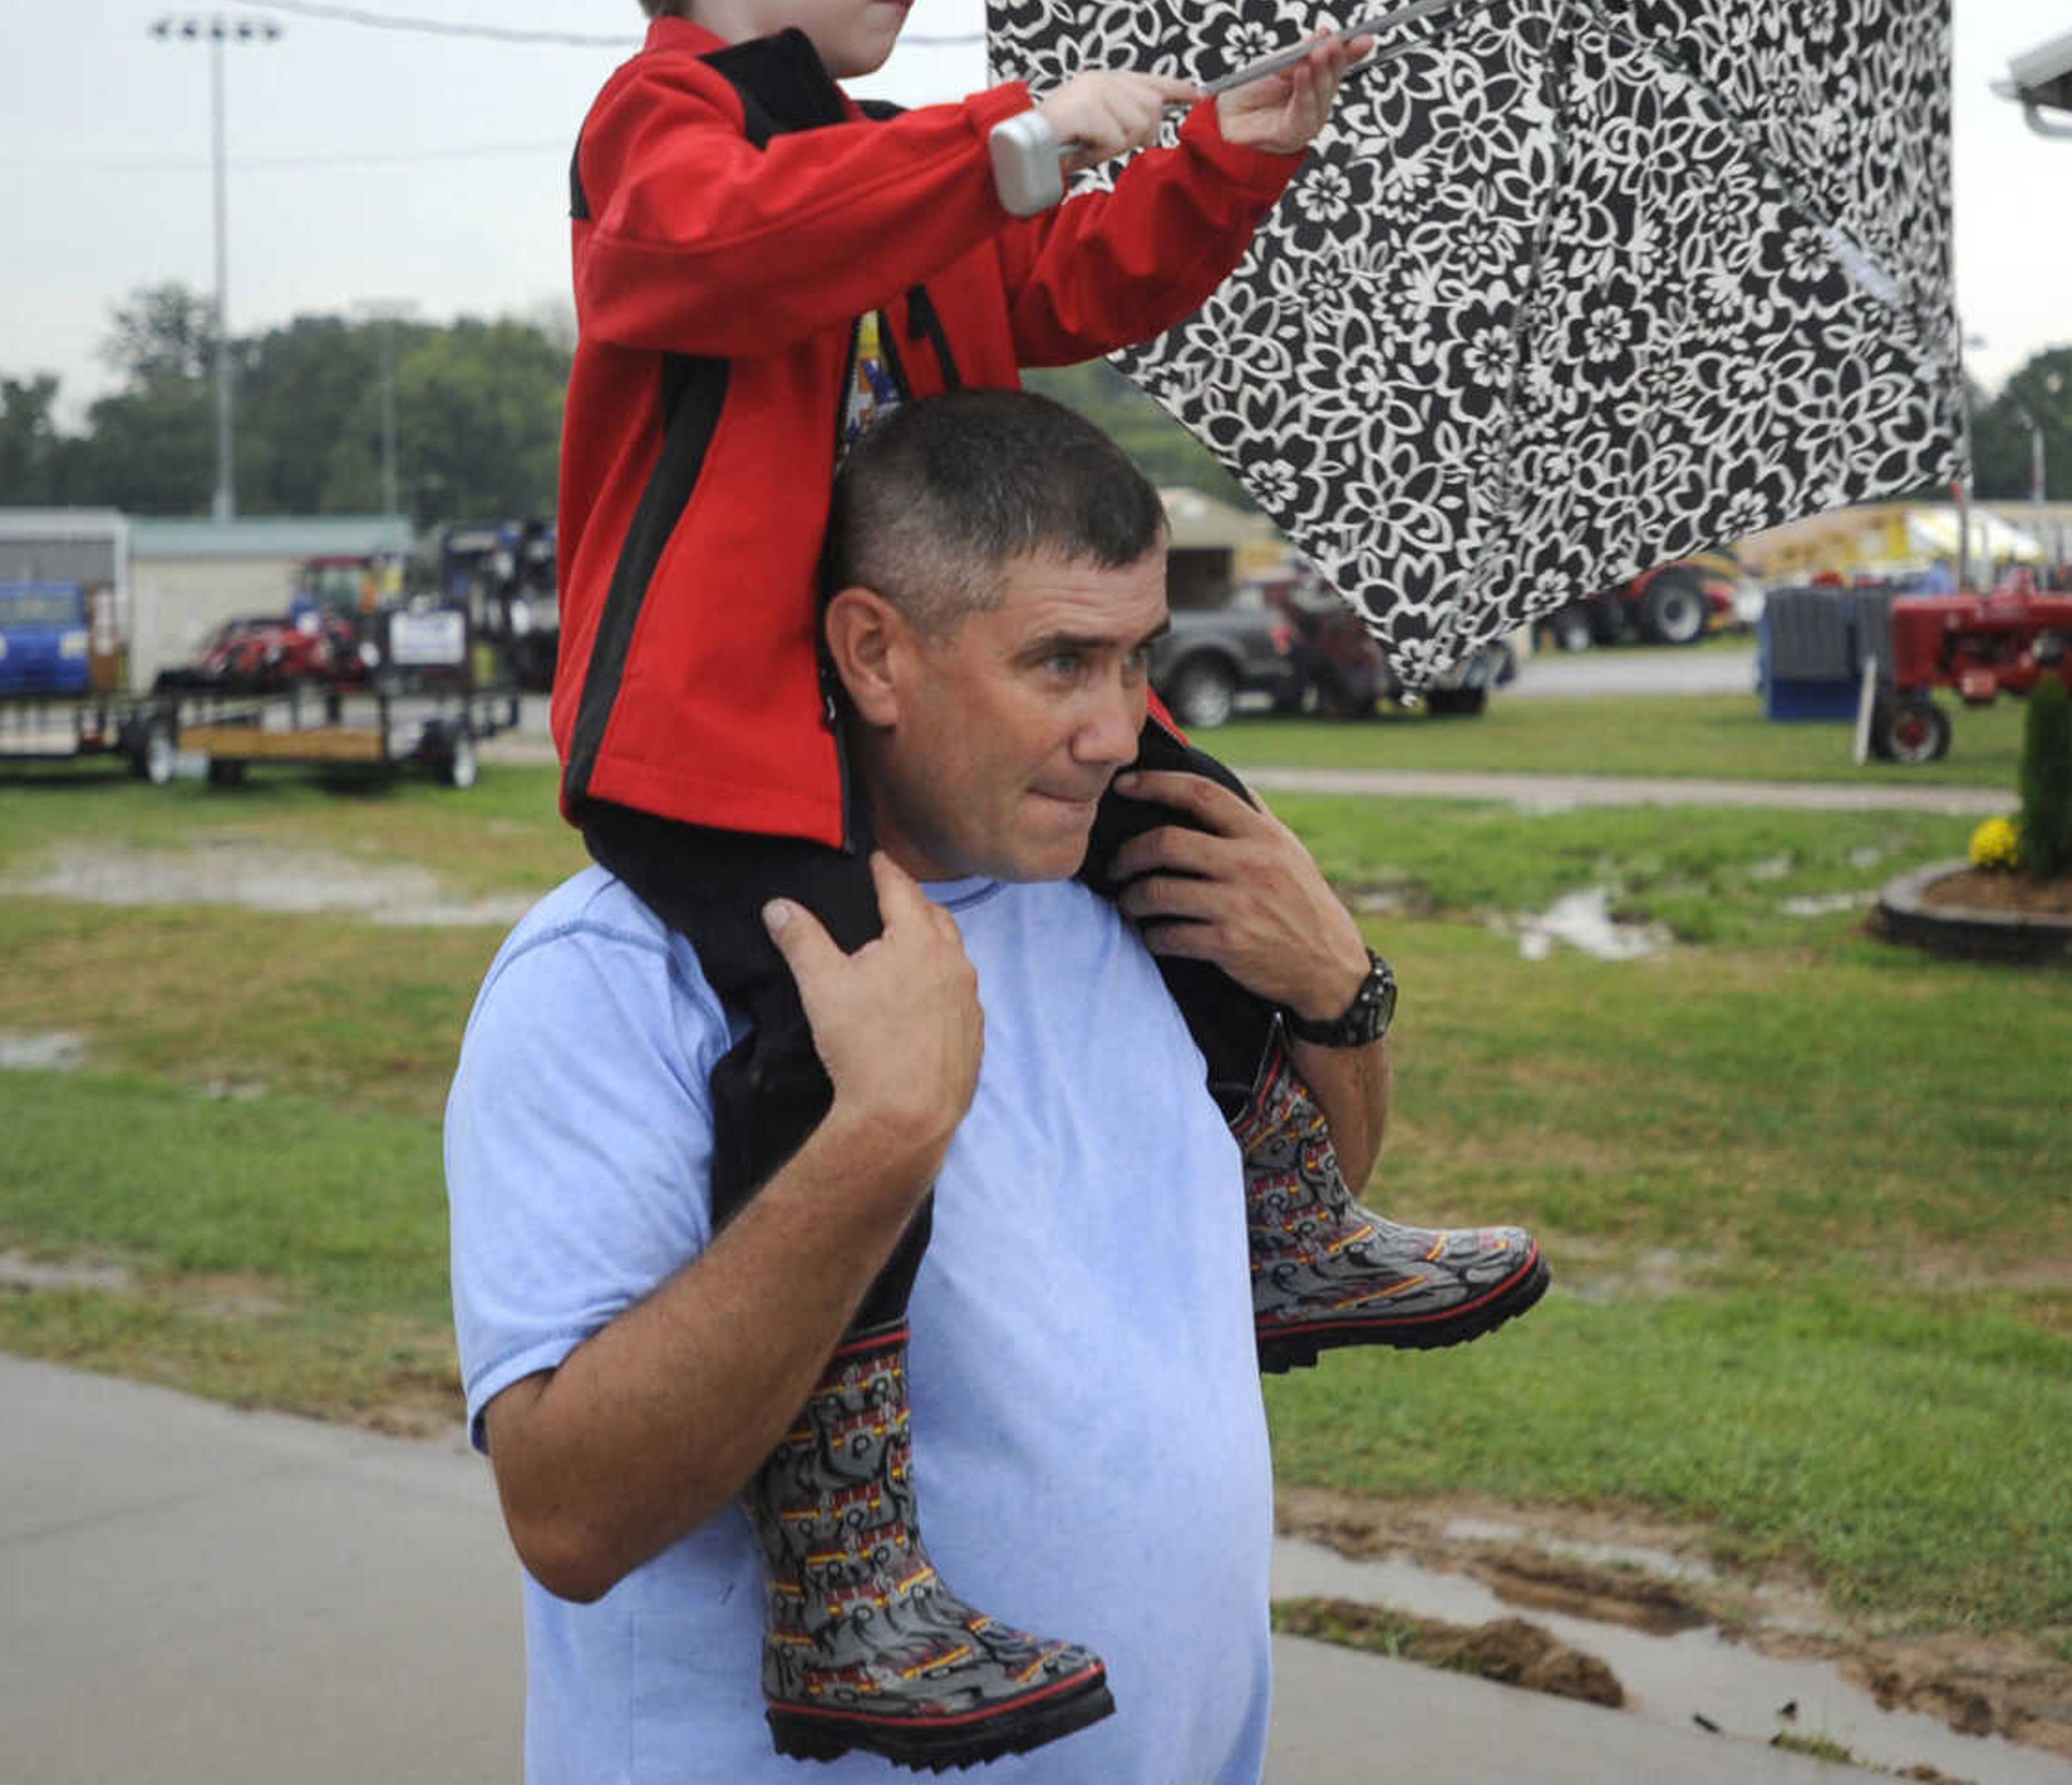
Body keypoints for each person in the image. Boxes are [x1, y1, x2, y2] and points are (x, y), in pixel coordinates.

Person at [543, 0, 1547, 1765]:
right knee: (812, 1040)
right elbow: (711, 253)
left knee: (1190, 811)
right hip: (729, 732)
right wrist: (994, 142)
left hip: (920, 703)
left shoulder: (883, 170)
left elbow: (1069, 277)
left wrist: (1218, 164)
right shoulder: (669, 129)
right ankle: (845, 1577)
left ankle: (1287, 1214)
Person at [452, 392, 1472, 1779]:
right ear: (873, 650)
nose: (1119, 729)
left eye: (1137, 658)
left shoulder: (1126, 896)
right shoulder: (611, 976)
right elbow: (569, 1515)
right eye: (1061, 662)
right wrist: (878, 1139)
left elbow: (1272, 1227)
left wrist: (1339, 992)